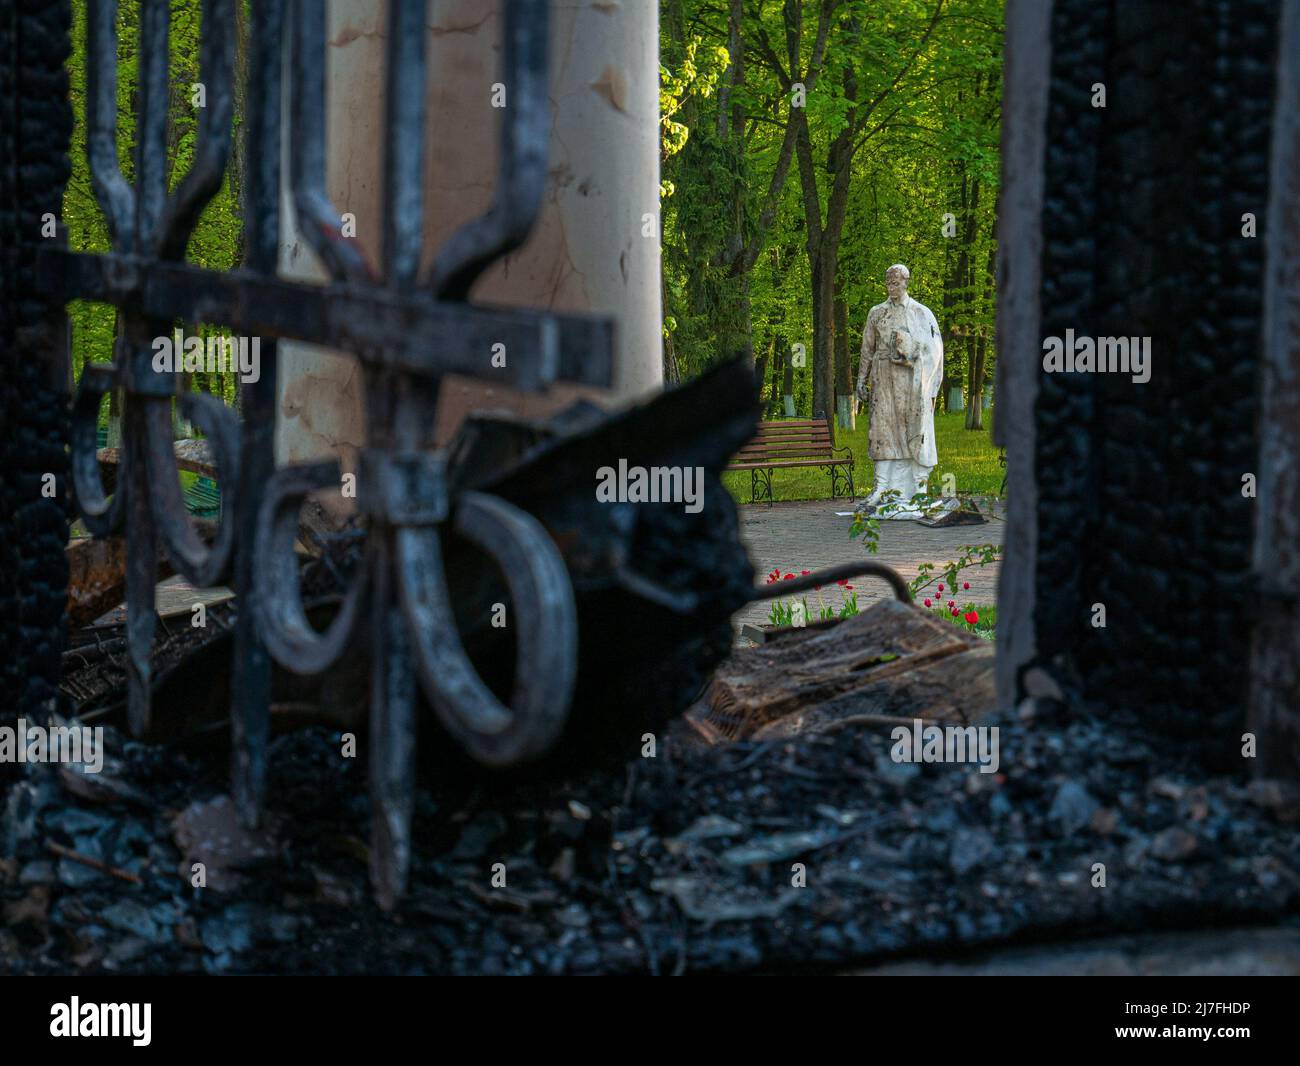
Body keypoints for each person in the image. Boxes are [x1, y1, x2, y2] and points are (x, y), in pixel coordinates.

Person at [854, 264, 944, 517]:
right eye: (888, 283)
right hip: (882, 378)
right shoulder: (877, 313)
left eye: (896, 283)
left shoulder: (920, 313)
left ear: (906, 282)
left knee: (913, 428)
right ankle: (882, 489)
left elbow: (934, 350)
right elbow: (867, 348)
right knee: (881, 431)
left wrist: (911, 355)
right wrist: (861, 379)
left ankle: (918, 489)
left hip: (910, 381)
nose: (891, 287)